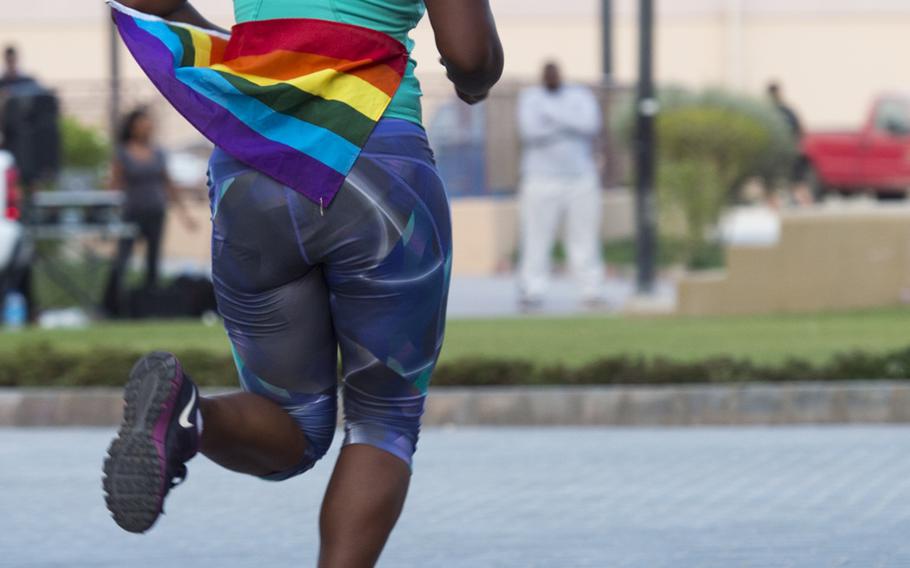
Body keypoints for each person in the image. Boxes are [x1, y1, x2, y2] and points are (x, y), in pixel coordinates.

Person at [102, 1, 502, 567]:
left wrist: (254, 60)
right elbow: (469, 54)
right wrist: (477, 83)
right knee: (381, 421)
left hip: (255, 163)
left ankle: (191, 415)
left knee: (293, 424)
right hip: (377, 163)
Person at [516, 61, 605, 310]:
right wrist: (569, 123)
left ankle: (591, 291)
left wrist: (552, 118)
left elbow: (590, 125)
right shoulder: (530, 98)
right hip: (539, 178)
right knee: (536, 237)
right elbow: (529, 131)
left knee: (584, 237)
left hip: (580, 178)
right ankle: (532, 290)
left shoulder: (580, 95)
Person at [102, 107, 197, 316]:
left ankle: (149, 306)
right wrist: (108, 216)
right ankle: (113, 306)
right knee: (123, 258)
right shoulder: (123, 152)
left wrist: (185, 216)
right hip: (132, 212)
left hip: (156, 211)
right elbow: (114, 184)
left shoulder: (158, 153)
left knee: (153, 260)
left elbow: (168, 184)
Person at [767, 81, 811, 204]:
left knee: (793, 183)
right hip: (787, 152)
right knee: (793, 183)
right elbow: (801, 130)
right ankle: (805, 207)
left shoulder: (775, 112)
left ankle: (805, 206)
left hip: (783, 153)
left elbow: (801, 130)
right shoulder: (785, 111)